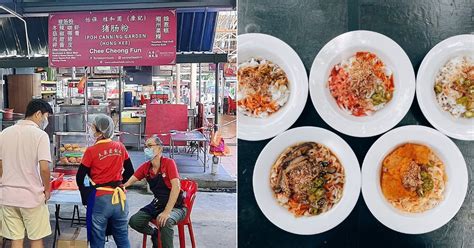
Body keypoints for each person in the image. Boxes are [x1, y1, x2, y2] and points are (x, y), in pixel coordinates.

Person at [0, 99, 53, 248]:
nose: (45, 120)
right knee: (36, 239)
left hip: (8, 197)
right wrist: (47, 189)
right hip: (31, 197)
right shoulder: (40, 135)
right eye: (46, 116)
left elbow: (0, 165)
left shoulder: (4, 133)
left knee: (16, 240)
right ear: (38, 114)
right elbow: (44, 168)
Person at [75, 114, 134, 248]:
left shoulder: (91, 151)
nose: (91, 129)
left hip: (100, 199)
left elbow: (80, 177)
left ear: (100, 131)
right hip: (120, 199)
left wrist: (85, 195)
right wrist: (120, 184)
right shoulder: (120, 147)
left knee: (98, 239)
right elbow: (130, 172)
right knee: (122, 237)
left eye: (93, 127)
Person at [125, 136, 186, 248]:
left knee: (166, 221)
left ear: (160, 148)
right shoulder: (146, 167)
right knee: (134, 221)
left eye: (150, 146)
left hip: (177, 206)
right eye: (145, 146)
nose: (146, 149)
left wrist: (167, 211)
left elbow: (176, 187)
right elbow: (132, 179)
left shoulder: (169, 163)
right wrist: (122, 186)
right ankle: (155, 234)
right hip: (158, 204)